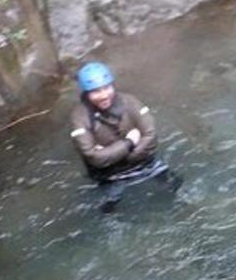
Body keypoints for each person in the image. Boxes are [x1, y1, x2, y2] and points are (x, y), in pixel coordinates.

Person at [69, 61, 180, 212]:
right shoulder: (80, 117)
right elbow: (93, 157)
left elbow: (150, 135)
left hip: (141, 162)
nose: (103, 96)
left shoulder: (130, 102)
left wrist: (124, 156)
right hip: (110, 174)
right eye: (96, 91)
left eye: (107, 88)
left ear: (112, 85)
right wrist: (129, 143)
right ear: (87, 94)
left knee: (176, 184)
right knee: (107, 207)